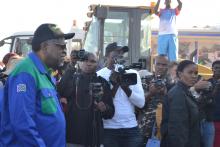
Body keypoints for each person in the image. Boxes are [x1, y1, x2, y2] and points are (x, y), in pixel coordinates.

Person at [0, 23, 75, 147]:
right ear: (44, 46)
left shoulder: (46, 73)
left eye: (65, 46)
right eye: (60, 46)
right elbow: (23, 124)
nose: (64, 51)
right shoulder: (25, 73)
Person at [57, 52, 114, 147]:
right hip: (73, 136)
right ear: (80, 62)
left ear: (97, 63)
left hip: (94, 138)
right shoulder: (72, 79)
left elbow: (111, 113)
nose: (88, 63)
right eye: (85, 60)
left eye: (92, 61)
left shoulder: (102, 83)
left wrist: (105, 108)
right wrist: (72, 65)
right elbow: (60, 90)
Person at [97, 42, 145, 147]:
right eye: (117, 51)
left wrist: (125, 87)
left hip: (131, 128)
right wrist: (113, 85)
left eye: (122, 52)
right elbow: (101, 103)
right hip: (108, 129)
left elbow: (141, 103)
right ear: (107, 55)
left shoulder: (133, 74)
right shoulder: (99, 75)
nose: (120, 54)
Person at [161, 60, 200, 147]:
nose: (194, 76)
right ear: (180, 74)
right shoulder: (178, 94)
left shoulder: (185, 91)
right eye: (190, 72)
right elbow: (178, 130)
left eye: (196, 73)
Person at [137, 55, 169, 146]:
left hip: (164, 129)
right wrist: (150, 93)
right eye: (158, 64)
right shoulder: (145, 80)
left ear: (167, 66)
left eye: (164, 65)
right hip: (145, 127)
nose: (161, 67)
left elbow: (175, 106)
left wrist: (166, 94)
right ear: (154, 65)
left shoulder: (172, 83)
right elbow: (138, 104)